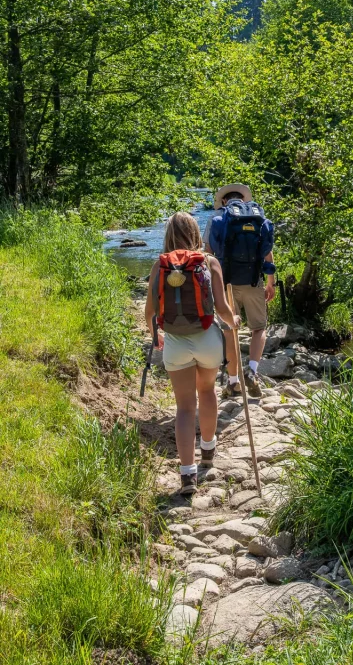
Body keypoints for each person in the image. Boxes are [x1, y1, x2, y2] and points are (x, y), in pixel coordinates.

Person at [145, 211, 240, 496]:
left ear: (167, 235)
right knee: (208, 391)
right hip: (207, 340)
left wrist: (155, 337)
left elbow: (150, 313)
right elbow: (222, 307)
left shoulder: (158, 266)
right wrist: (232, 321)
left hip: (175, 342)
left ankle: (187, 475)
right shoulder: (209, 262)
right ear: (196, 232)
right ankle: (208, 450)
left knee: (185, 407)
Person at [203, 183, 276, 399]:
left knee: (229, 330)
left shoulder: (217, 220)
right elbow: (268, 253)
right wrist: (270, 282)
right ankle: (252, 371)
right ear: (243, 200)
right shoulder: (259, 219)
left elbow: (208, 254)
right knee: (259, 328)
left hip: (227, 284)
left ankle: (233, 382)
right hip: (254, 281)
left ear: (224, 202)